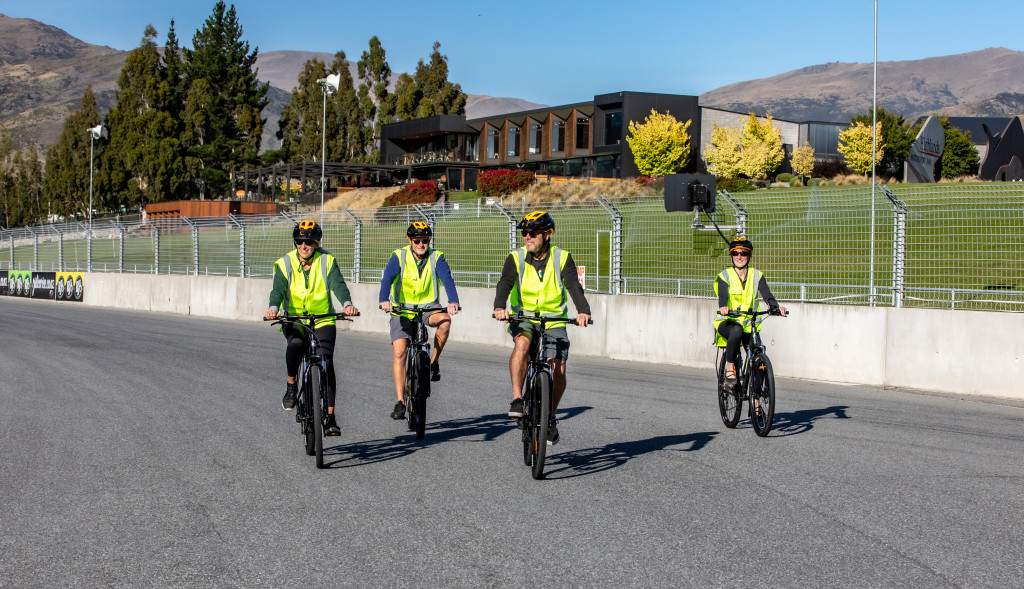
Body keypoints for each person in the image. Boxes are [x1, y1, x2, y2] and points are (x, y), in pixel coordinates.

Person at [493, 210, 591, 446]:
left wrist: (583, 310)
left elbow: (573, 286)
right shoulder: (516, 257)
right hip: (524, 317)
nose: (527, 236)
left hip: (554, 320)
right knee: (522, 343)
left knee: (558, 369)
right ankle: (518, 399)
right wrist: (499, 307)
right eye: (525, 233)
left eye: (533, 233)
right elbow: (505, 282)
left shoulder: (562, 258)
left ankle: (550, 417)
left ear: (547, 235)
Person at [264, 220, 359, 436]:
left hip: (323, 318)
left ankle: (331, 417)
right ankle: (291, 386)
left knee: (326, 361)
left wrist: (347, 304)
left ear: (316, 243)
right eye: (299, 241)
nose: (303, 246)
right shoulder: (285, 263)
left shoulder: (327, 261)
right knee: (296, 344)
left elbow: (338, 285)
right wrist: (273, 308)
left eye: (308, 242)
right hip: (295, 319)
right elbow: (278, 289)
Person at [379, 221, 461, 420]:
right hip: (402, 311)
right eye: (417, 241)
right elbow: (387, 278)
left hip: (428, 309)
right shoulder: (399, 256)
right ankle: (400, 401)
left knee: (445, 321)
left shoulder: (436, 257)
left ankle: (434, 362)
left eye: (425, 240)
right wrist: (383, 299)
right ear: (410, 241)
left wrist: (453, 301)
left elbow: (447, 279)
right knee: (399, 352)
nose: (421, 244)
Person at [713, 237, 787, 392]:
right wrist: (723, 307)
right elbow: (723, 295)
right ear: (731, 255)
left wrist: (775, 307)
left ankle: (757, 400)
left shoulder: (756, 275)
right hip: (728, 322)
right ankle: (730, 368)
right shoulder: (724, 276)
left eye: (744, 253)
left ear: (749, 255)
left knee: (758, 354)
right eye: (736, 253)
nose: (739, 256)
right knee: (736, 330)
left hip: (749, 325)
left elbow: (767, 295)